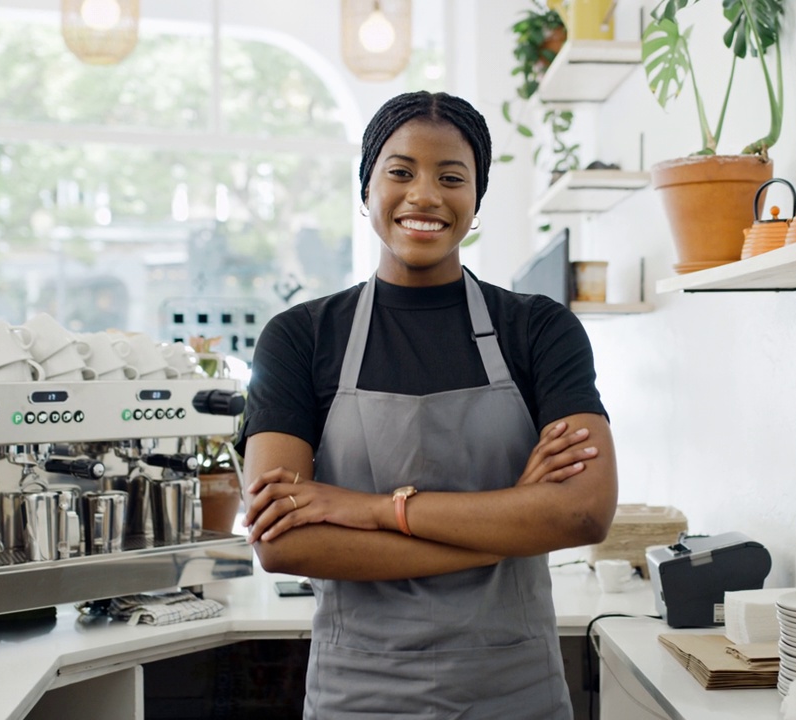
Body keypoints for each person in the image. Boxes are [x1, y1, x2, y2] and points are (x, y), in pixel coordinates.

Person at [239, 90, 618, 719]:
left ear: (476, 200)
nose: (424, 195)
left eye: (451, 177)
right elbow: (283, 543)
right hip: (358, 696)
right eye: (400, 172)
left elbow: (582, 515)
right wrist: (512, 526)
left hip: (513, 693)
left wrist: (367, 510)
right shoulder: (301, 337)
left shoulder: (538, 329)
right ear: (366, 190)